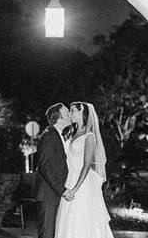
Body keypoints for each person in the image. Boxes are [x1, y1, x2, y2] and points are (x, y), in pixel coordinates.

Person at [54, 101, 114, 238]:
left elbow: (86, 166)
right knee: (67, 219)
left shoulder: (89, 137)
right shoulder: (72, 133)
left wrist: (75, 189)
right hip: (69, 179)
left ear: (82, 112)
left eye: (73, 110)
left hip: (82, 184)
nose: (70, 113)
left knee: (81, 220)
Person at [34, 103, 74, 238]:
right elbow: (45, 166)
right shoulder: (49, 136)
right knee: (47, 233)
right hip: (48, 194)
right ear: (59, 117)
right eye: (67, 112)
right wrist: (61, 190)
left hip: (53, 193)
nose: (70, 115)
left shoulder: (57, 134)